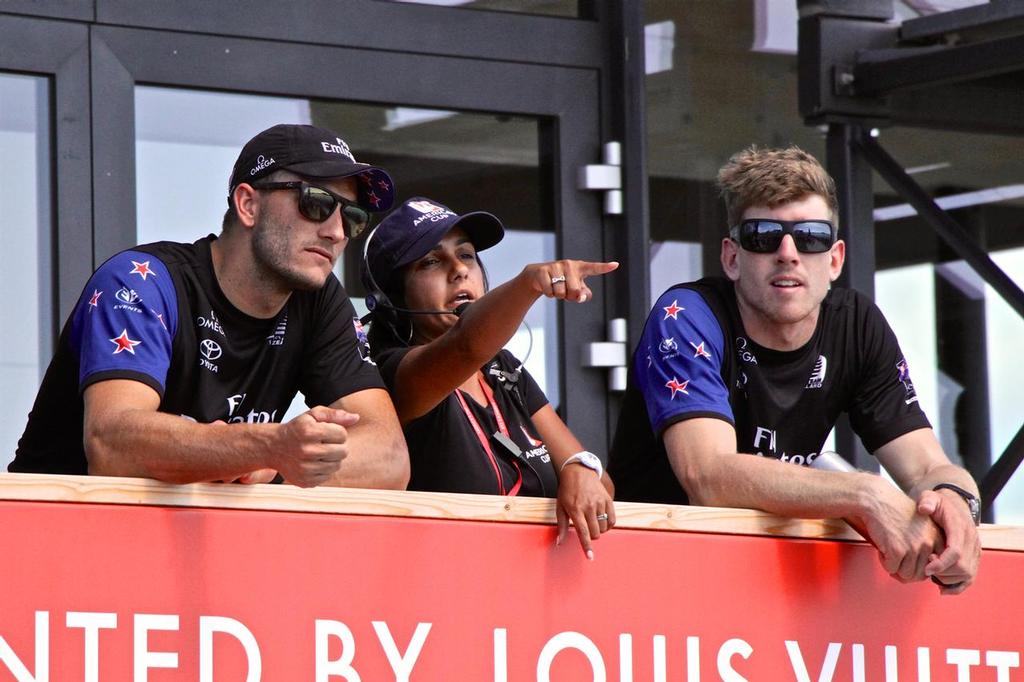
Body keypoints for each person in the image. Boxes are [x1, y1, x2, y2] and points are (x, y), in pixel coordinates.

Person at [608, 146, 981, 593]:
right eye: (763, 236)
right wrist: (865, 495)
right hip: (658, 578)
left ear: (836, 259)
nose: (788, 253)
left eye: (810, 237)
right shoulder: (686, 314)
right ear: (731, 257)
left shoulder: (856, 324)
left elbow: (928, 467)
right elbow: (707, 475)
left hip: (776, 585)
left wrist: (957, 505)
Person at [11, 123, 409, 489]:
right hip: (50, 538)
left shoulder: (319, 300)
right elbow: (112, 444)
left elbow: (389, 457)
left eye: (353, 216)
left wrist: (275, 462)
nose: (337, 232)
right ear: (248, 205)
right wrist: (263, 446)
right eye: (316, 203)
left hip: (186, 547)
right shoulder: (141, 280)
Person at [362, 197, 617, 558]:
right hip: (438, 595)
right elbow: (467, 346)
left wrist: (580, 468)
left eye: (466, 255)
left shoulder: (504, 367)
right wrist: (528, 284)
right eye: (432, 261)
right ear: (392, 295)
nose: (459, 270)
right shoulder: (388, 372)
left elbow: (602, 486)